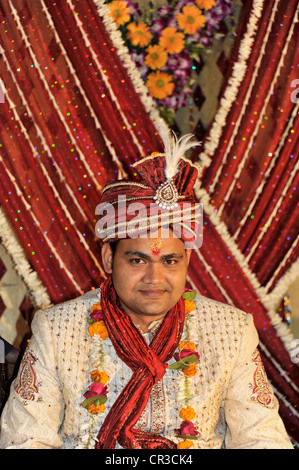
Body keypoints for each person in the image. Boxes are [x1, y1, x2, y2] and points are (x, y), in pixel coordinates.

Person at [0, 129, 293, 449]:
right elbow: (25, 440)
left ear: (187, 260)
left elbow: (262, 438)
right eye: (138, 260)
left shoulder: (231, 330)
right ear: (109, 259)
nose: (155, 278)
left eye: (170, 261)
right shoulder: (57, 329)